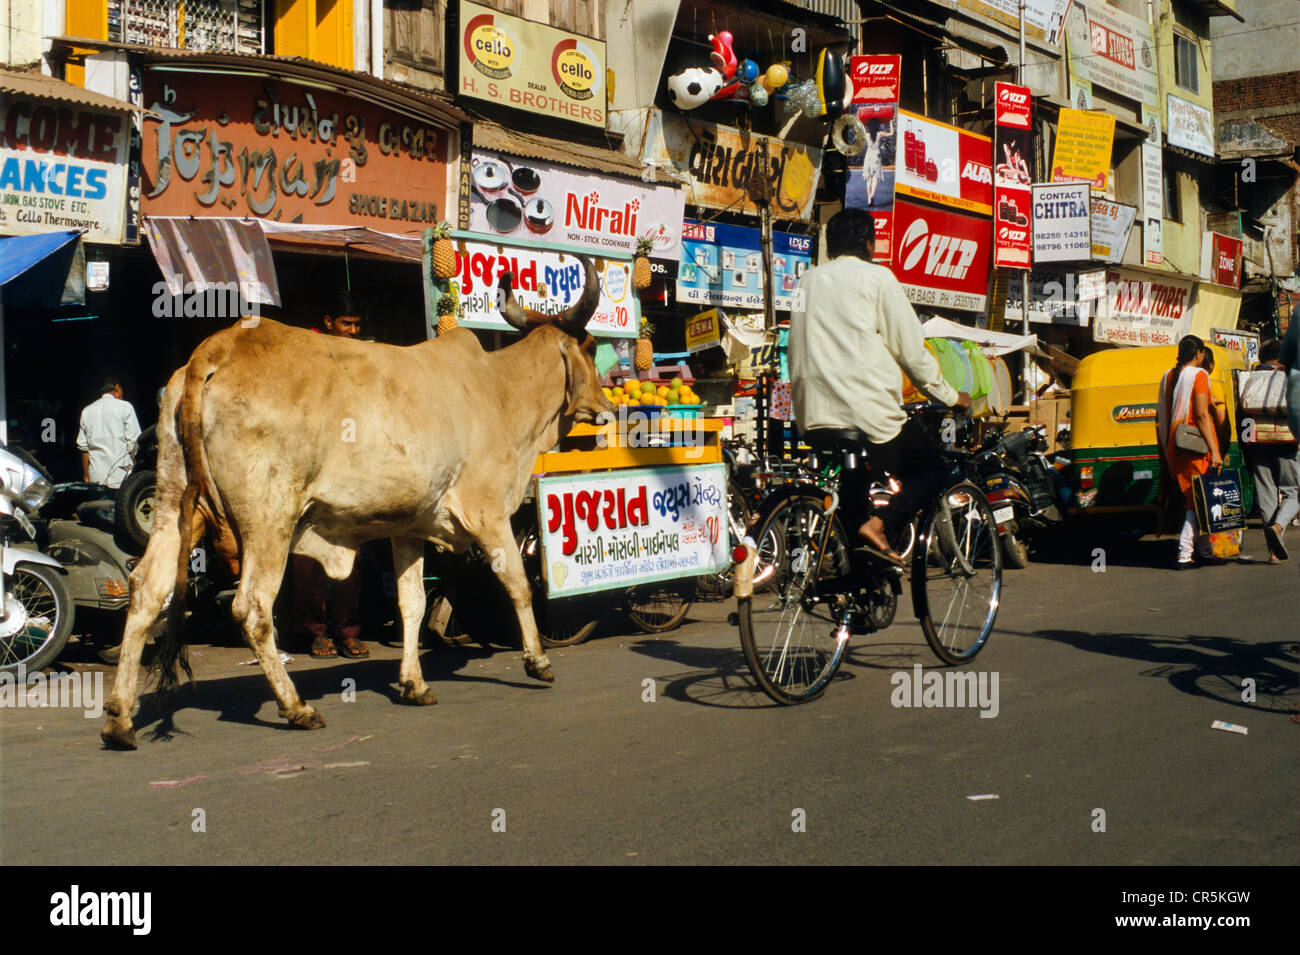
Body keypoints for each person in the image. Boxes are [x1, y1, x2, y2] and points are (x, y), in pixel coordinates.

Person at [788, 208, 970, 565]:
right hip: (867, 413)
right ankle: (882, 524)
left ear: (831, 245)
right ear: (870, 244)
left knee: (854, 486)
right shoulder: (878, 278)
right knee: (932, 470)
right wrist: (950, 396)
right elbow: (911, 352)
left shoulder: (805, 282)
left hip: (814, 415)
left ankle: (856, 585)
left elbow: (795, 346)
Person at [295, 291, 368, 659]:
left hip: (349, 473)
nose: (353, 332)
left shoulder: (363, 357)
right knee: (306, 560)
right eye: (346, 324)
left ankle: (348, 631)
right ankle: (315, 632)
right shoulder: (309, 351)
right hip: (309, 472)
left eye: (357, 325)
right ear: (328, 323)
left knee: (349, 557)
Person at [1156, 335, 1223, 568]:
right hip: (1196, 446)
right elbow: (1202, 415)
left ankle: (1204, 549)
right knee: (1196, 502)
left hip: (1175, 446)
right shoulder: (1199, 375)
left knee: (1197, 498)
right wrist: (1215, 451)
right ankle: (1185, 553)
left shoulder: (1169, 376)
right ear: (1198, 354)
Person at [76, 377, 141, 489]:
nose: (122, 395)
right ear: (117, 389)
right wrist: (137, 470)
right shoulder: (126, 407)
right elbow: (134, 443)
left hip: (96, 478)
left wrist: (86, 477)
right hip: (121, 477)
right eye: (122, 392)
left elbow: (84, 449)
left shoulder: (87, 411)